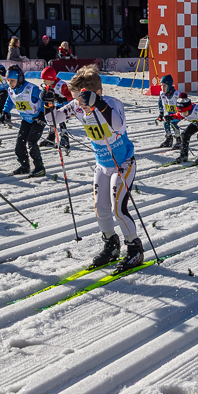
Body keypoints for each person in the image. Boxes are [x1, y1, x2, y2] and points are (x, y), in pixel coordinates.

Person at [49, 66, 144, 273]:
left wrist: (98, 104)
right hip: (102, 164)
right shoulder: (77, 106)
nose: (78, 104)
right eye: (75, 99)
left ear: (97, 93)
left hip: (123, 164)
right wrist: (47, 102)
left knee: (118, 210)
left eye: (82, 99)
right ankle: (111, 244)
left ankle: (134, 248)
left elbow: (118, 126)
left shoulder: (112, 104)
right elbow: (52, 119)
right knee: (100, 209)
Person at [1, 66, 46, 177]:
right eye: (8, 80)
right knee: (19, 144)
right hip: (26, 119)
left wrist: (42, 114)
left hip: (38, 119)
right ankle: (25, 166)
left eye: (12, 81)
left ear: (19, 79)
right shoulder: (11, 90)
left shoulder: (32, 88)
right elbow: (10, 100)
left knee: (31, 142)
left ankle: (39, 167)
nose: (10, 83)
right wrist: (5, 112)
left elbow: (44, 100)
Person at [170, 93, 198, 165]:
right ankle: (184, 155)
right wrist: (170, 117)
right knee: (185, 135)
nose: (183, 114)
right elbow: (178, 115)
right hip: (195, 123)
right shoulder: (182, 112)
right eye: (181, 112)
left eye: (184, 112)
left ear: (189, 109)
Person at [38, 65, 73, 150]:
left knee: (59, 120)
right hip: (54, 104)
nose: (43, 81)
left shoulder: (61, 85)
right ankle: (51, 137)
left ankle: (64, 138)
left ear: (51, 78)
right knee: (50, 118)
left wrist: (63, 98)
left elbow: (71, 94)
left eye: (45, 79)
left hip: (64, 105)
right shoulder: (46, 85)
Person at [157, 74, 182, 149]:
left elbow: (183, 104)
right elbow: (160, 103)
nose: (162, 88)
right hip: (169, 114)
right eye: (161, 85)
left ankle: (179, 140)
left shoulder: (176, 95)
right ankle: (169, 139)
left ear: (169, 85)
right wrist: (161, 113)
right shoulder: (162, 94)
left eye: (165, 86)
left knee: (173, 123)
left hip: (177, 114)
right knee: (166, 123)